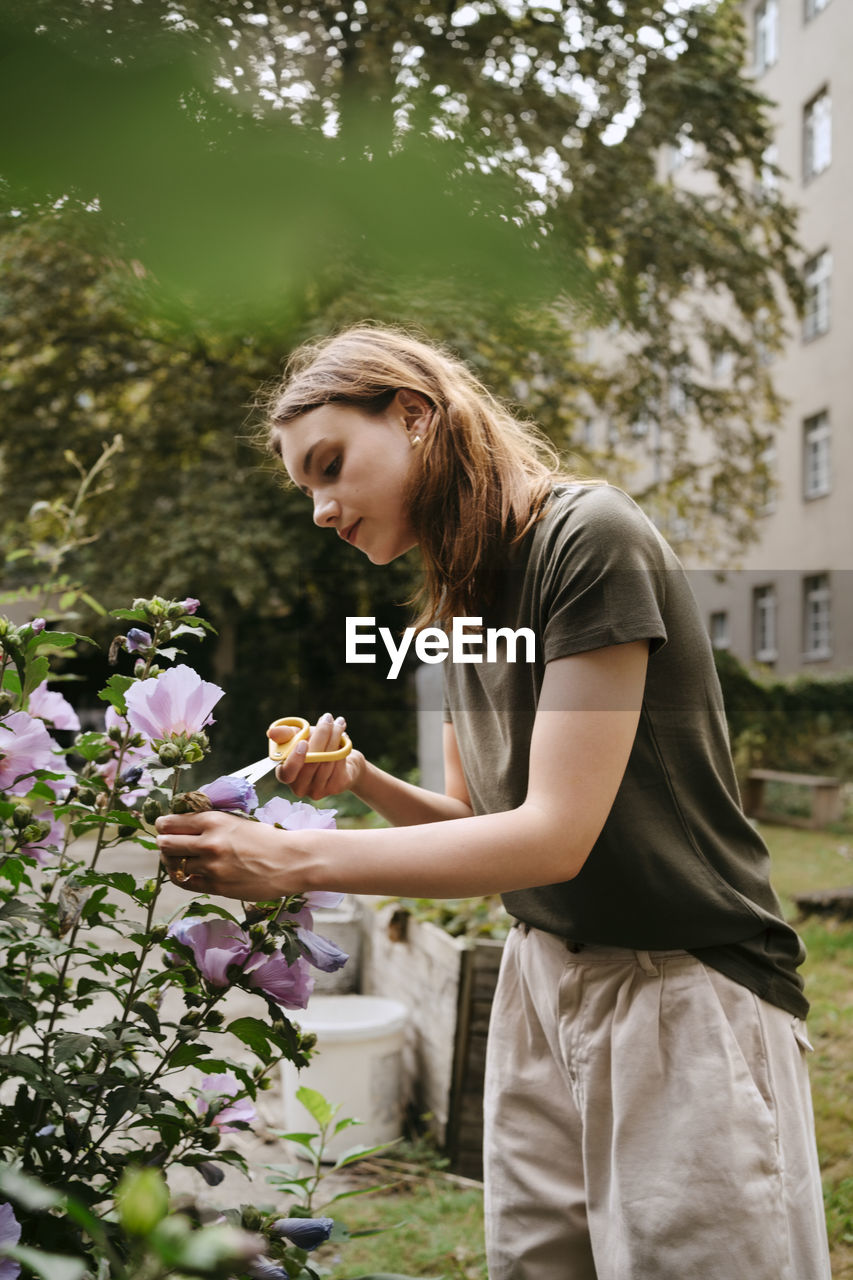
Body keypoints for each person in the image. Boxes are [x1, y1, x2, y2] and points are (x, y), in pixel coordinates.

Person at [156, 324, 831, 1280]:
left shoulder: (588, 538)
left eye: (331, 465)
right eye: (305, 485)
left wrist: (298, 860)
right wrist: (359, 782)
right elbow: (483, 826)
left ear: (416, 416)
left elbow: (552, 838)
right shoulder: (455, 607)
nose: (318, 508)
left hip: (679, 990)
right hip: (539, 979)